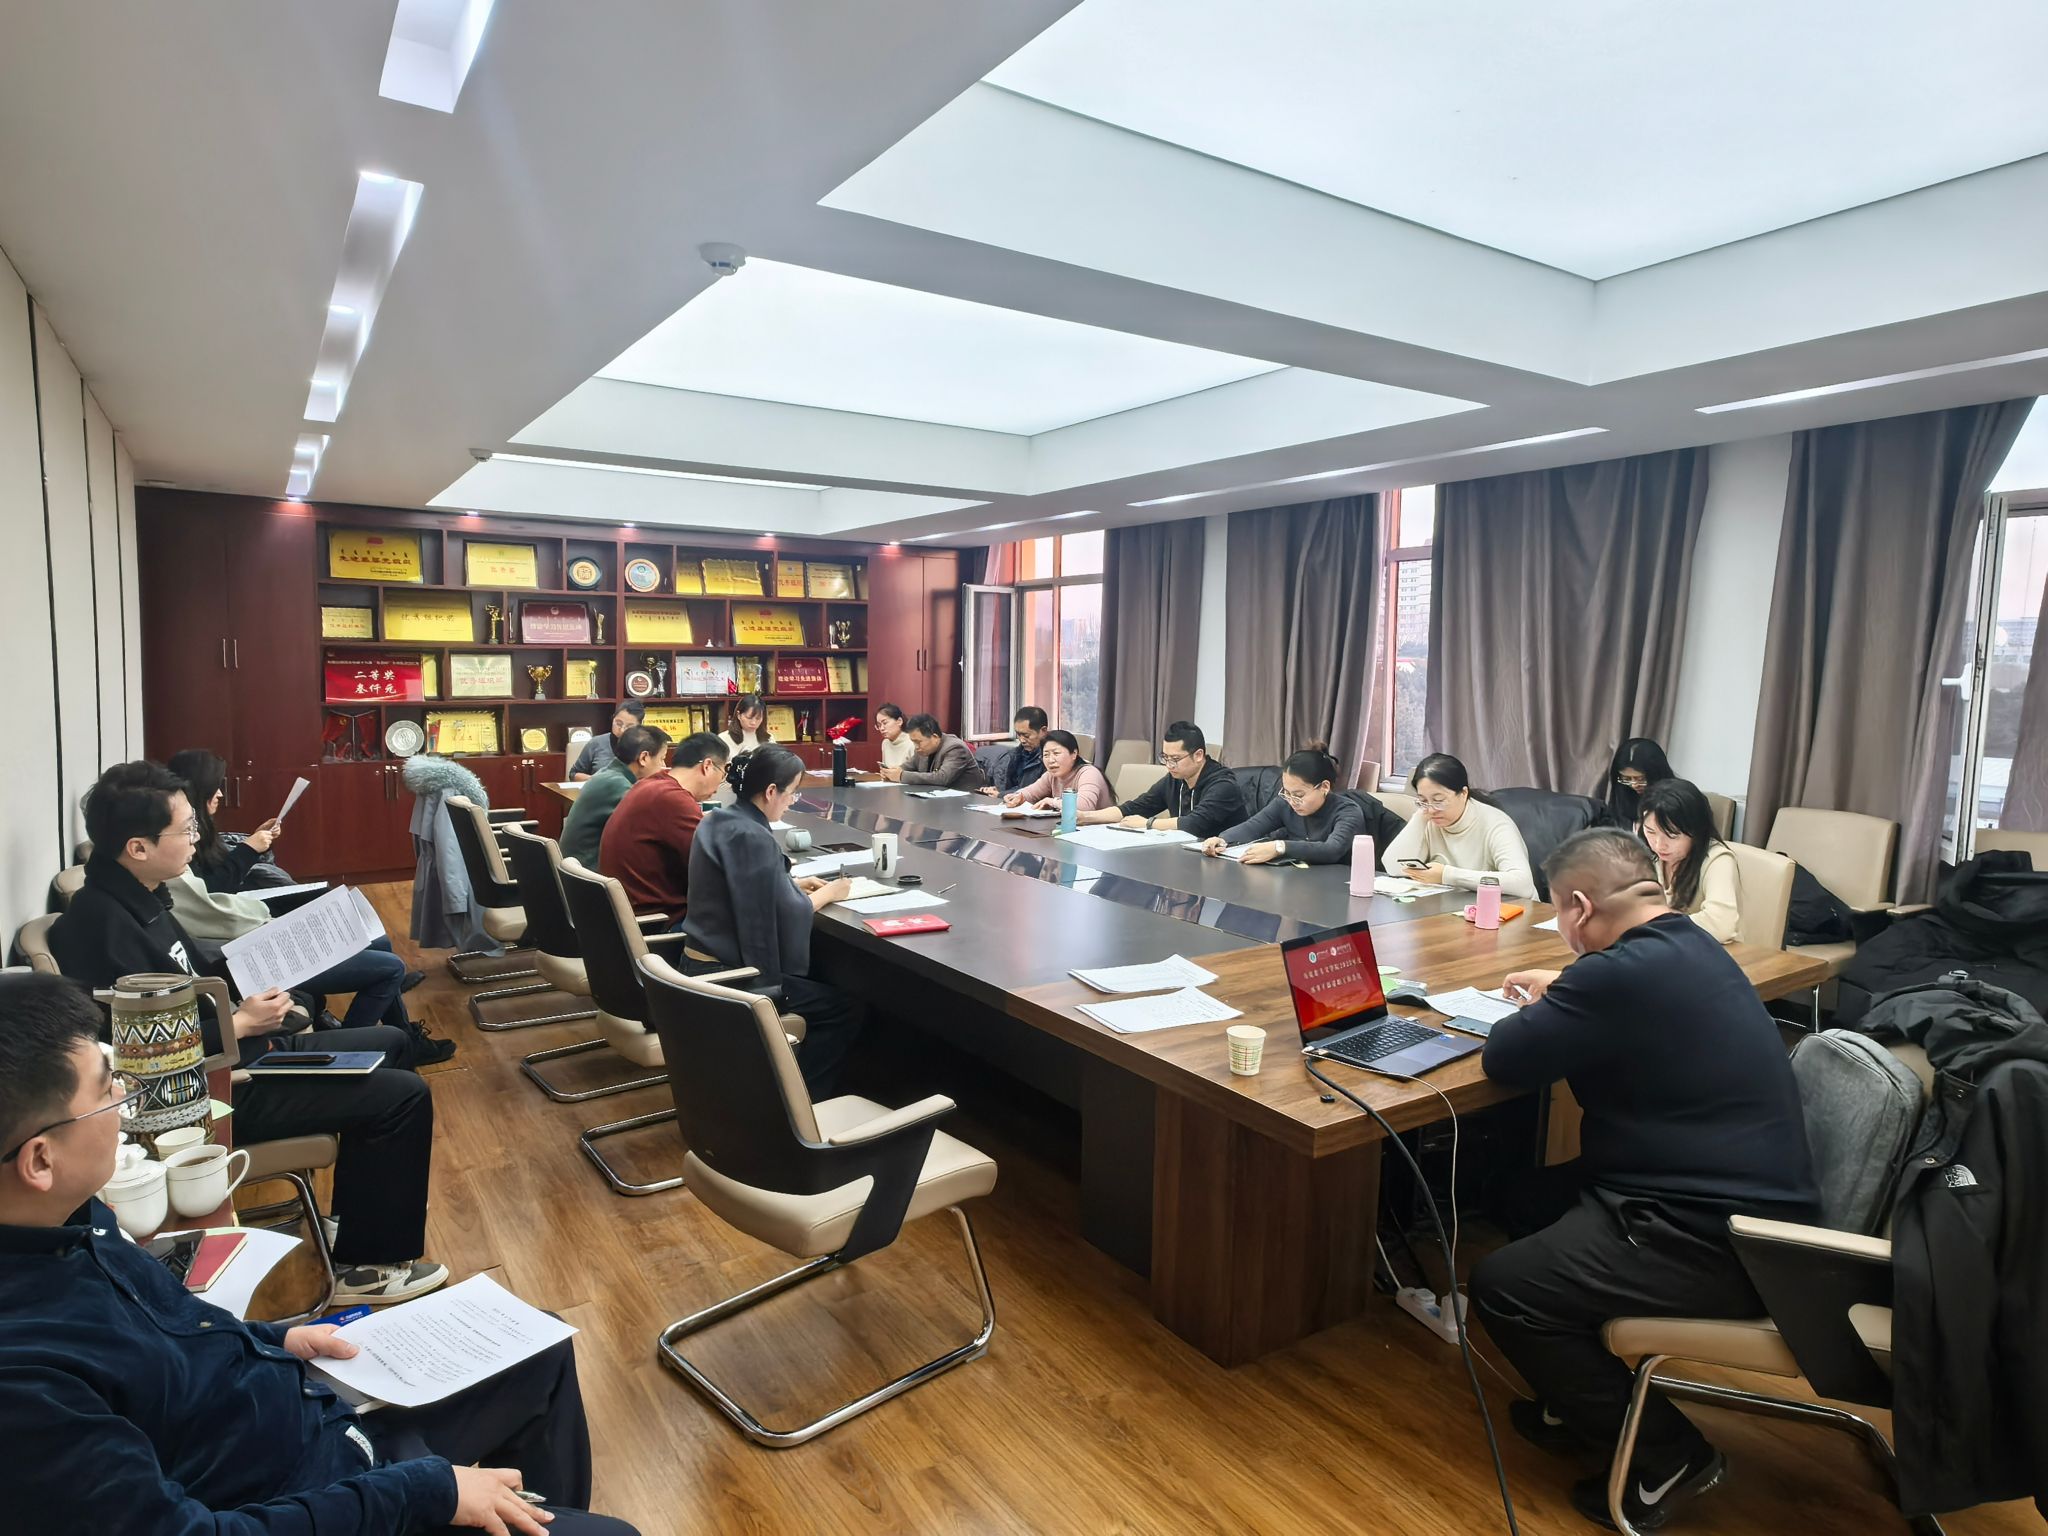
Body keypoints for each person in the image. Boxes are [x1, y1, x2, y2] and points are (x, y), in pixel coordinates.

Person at [0, 973, 639, 1536]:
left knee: (538, 1347)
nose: (125, 1103)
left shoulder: (74, 1222)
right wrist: (423, 1493)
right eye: (108, 1092)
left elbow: (169, 1335)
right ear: (40, 1160)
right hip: (305, 1491)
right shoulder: (27, 1383)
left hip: (310, 1419)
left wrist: (275, 1340)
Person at [1471, 830, 1818, 1532]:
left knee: (1504, 1289)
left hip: (1714, 1240)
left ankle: (1669, 1456)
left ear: (1578, 907)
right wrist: (1568, 987)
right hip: (1746, 1202)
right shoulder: (1690, 945)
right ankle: (1576, 1395)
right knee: (1529, 1200)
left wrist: (1566, 990)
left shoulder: (1614, 976)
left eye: (1559, 913)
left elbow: (1507, 1057)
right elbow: (1623, 998)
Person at [48, 761, 448, 1306]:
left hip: (234, 1054)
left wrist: (275, 965)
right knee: (403, 1096)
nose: (196, 839)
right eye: (186, 829)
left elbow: (197, 976)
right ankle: (369, 1267)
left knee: (392, 1042)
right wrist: (239, 1023)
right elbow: (139, 1057)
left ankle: (360, 1218)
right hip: (214, 1092)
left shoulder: (139, 898)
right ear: (138, 847)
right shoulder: (104, 926)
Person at [681, 747, 864, 1092]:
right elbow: (782, 915)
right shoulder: (752, 836)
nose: (792, 801)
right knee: (845, 1009)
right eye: (792, 792)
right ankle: (799, 1100)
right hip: (728, 977)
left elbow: (744, 886)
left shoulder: (719, 819)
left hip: (697, 964)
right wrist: (830, 893)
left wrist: (789, 883)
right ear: (770, 791)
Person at [161, 871, 447, 1065]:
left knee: (379, 943)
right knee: (391, 967)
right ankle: (350, 1047)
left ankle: (401, 1039)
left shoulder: (175, 867)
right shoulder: (171, 880)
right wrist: (249, 851)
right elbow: (221, 914)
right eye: (186, 828)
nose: (193, 836)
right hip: (244, 955)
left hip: (244, 945)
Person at [598, 732, 730, 920]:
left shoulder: (651, 784)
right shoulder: (672, 799)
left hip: (625, 915)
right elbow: (714, 867)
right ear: (707, 766)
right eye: (723, 773)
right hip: (657, 921)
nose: (720, 784)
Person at [1381, 752, 1536, 898]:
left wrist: (1446, 875)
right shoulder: (1428, 818)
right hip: (1457, 908)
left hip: (1511, 910)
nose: (1432, 810)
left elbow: (1522, 884)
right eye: (1423, 800)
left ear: (1463, 793)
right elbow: (1393, 868)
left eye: (1439, 800)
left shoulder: (1496, 824)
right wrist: (1419, 817)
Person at [1077, 720, 1246, 839]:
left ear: (1198, 755)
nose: (1169, 765)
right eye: (1165, 757)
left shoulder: (1223, 784)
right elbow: (1136, 807)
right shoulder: (1175, 779)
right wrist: (1086, 817)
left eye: (1175, 759)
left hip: (1221, 858)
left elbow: (1194, 823)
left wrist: (1148, 824)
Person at [1200, 742, 1363, 865]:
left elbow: (1332, 850)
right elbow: (1253, 826)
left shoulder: (1348, 811)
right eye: (1286, 792)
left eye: (1299, 795)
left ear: (1324, 787)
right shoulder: (1285, 803)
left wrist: (1279, 847)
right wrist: (1222, 839)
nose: (1292, 801)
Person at [1637, 778, 1741, 945]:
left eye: (1672, 835)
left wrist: (1659, 921)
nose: (1659, 845)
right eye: (1650, 831)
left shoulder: (1717, 860)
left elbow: (1721, 924)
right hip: (1665, 946)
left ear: (1697, 830)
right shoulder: (1648, 853)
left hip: (1711, 951)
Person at [165, 747, 282, 895]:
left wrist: (258, 840)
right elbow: (210, 889)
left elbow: (219, 865)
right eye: (215, 787)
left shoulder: (201, 827)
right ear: (201, 788)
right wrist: (249, 849)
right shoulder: (179, 835)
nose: (220, 794)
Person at [561, 724, 669, 868]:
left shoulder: (609, 773)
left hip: (577, 868)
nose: (663, 765)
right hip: (590, 871)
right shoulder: (617, 785)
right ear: (644, 758)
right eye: (662, 759)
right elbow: (651, 829)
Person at [1002, 729, 1111, 813]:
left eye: (1056, 753)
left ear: (1074, 754)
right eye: (1046, 755)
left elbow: (1084, 806)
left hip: (1098, 830)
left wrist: (1052, 802)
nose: (1051, 760)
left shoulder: (1089, 773)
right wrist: (1017, 796)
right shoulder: (1051, 775)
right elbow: (1031, 792)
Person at [881, 713, 988, 791]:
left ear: (935, 737)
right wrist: (892, 772)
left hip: (965, 803)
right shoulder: (922, 749)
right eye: (913, 742)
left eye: (918, 742)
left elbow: (942, 778)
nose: (916, 747)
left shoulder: (955, 748)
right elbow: (909, 765)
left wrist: (901, 776)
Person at [570, 701, 649, 781]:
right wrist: (596, 780)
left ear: (640, 726)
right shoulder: (596, 743)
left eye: (629, 726)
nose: (622, 730)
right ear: (613, 718)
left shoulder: (646, 747)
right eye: (618, 723)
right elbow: (573, 774)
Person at [1605, 737, 1674, 829]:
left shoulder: (1676, 799)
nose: (1634, 785)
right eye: (1626, 778)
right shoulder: (1622, 792)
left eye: (1641, 779)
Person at [980, 706, 1048, 796]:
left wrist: (1001, 794)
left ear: (1043, 731)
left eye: (1026, 735)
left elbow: (1035, 791)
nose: (1022, 740)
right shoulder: (1012, 755)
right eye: (1018, 735)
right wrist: (995, 789)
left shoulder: (1050, 759)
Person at [873, 703, 913, 771]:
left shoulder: (912, 742)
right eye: (879, 725)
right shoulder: (885, 743)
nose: (881, 728)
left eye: (885, 723)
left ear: (899, 721)